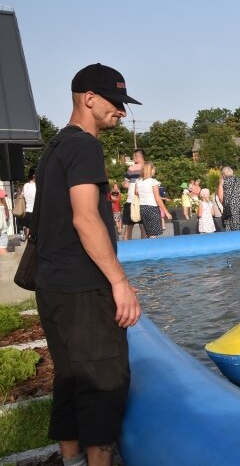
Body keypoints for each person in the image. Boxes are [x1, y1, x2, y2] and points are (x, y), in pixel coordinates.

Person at [35, 63, 141, 466]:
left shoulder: (56, 146)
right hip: (83, 289)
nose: (122, 111)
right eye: (116, 103)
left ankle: (71, 460)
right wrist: (119, 282)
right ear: (89, 98)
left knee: (70, 378)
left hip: (54, 287)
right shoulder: (84, 146)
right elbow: (85, 217)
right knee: (103, 383)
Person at [134, 162, 172, 238]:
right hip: (152, 208)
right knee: (154, 234)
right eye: (154, 169)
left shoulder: (138, 181)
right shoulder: (153, 181)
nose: (154, 171)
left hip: (143, 208)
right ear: (150, 170)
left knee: (149, 233)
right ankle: (154, 248)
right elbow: (157, 198)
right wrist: (166, 212)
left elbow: (136, 193)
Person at [122, 149, 146, 240]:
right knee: (143, 226)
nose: (133, 158)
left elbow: (125, 184)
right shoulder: (148, 167)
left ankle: (126, 249)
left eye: (133, 156)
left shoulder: (131, 168)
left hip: (131, 200)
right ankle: (145, 249)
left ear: (137, 156)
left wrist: (128, 185)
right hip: (144, 201)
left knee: (128, 227)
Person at [217, 166, 240, 231]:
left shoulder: (224, 182)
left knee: (231, 226)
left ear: (223, 174)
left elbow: (220, 197)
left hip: (231, 207)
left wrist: (224, 205)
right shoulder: (238, 180)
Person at [19, 168, 36, 240]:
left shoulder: (25, 185)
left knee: (29, 234)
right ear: (34, 175)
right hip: (36, 212)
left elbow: (21, 196)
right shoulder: (38, 185)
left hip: (27, 212)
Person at [0, 189, 9, 254]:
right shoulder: (4, 207)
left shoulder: (1, 209)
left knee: (5, 258)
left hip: (1, 235)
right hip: (3, 234)